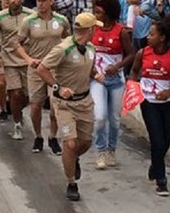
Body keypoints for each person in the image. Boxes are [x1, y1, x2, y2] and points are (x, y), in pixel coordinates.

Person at [36, 13, 104, 201]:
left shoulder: (91, 48)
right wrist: (58, 87)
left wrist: (96, 75)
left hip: (84, 102)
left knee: (85, 142)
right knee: (70, 142)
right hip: (65, 104)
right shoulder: (63, 49)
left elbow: (88, 68)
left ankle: (72, 158)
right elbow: (42, 68)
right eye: (94, 28)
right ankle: (71, 182)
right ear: (90, 30)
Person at [130, 15, 170, 196]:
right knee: (156, 140)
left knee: (165, 141)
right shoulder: (143, 53)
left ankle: (155, 164)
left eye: (152, 34)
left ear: (163, 37)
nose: (148, 37)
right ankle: (161, 180)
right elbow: (134, 71)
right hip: (149, 102)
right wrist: (133, 88)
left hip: (168, 102)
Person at [16, 0, 71, 154]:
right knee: (35, 105)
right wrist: (28, 59)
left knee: (55, 106)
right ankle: (38, 135)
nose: (40, 3)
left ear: (51, 1)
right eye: (38, 0)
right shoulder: (29, 21)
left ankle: (53, 137)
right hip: (36, 69)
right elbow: (17, 43)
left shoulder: (61, 20)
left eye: (44, 0)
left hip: (55, 69)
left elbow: (68, 39)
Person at [90, 0, 135, 169]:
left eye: (99, 11)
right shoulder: (93, 29)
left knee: (114, 119)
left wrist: (117, 66)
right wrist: (93, 72)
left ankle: (111, 150)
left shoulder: (121, 31)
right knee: (100, 117)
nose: (96, 14)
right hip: (97, 79)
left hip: (115, 79)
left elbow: (131, 54)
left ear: (108, 12)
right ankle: (100, 151)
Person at [0, 0, 35, 140]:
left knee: (28, 96)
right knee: (15, 93)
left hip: (27, 60)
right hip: (9, 60)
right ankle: (17, 124)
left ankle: (16, 109)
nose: (12, 0)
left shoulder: (30, 16)